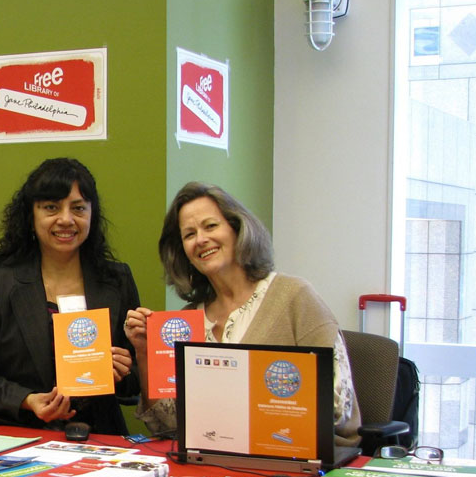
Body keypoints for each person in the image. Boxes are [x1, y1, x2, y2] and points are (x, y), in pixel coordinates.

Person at [123, 181, 361, 447]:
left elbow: (339, 406)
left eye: (210, 226)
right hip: (214, 461)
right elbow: (168, 426)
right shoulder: (186, 322)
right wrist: (144, 353)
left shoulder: (295, 296)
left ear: (237, 229)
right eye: (189, 235)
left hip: (294, 456)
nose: (201, 240)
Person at [0, 158, 140, 434]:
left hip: (98, 435)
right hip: (19, 431)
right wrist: (27, 400)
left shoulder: (116, 280)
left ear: (92, 214)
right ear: (31, 216)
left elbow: (134, 384)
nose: (66, 219)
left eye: (78, 208)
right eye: (51, 207)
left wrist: (123, 371)